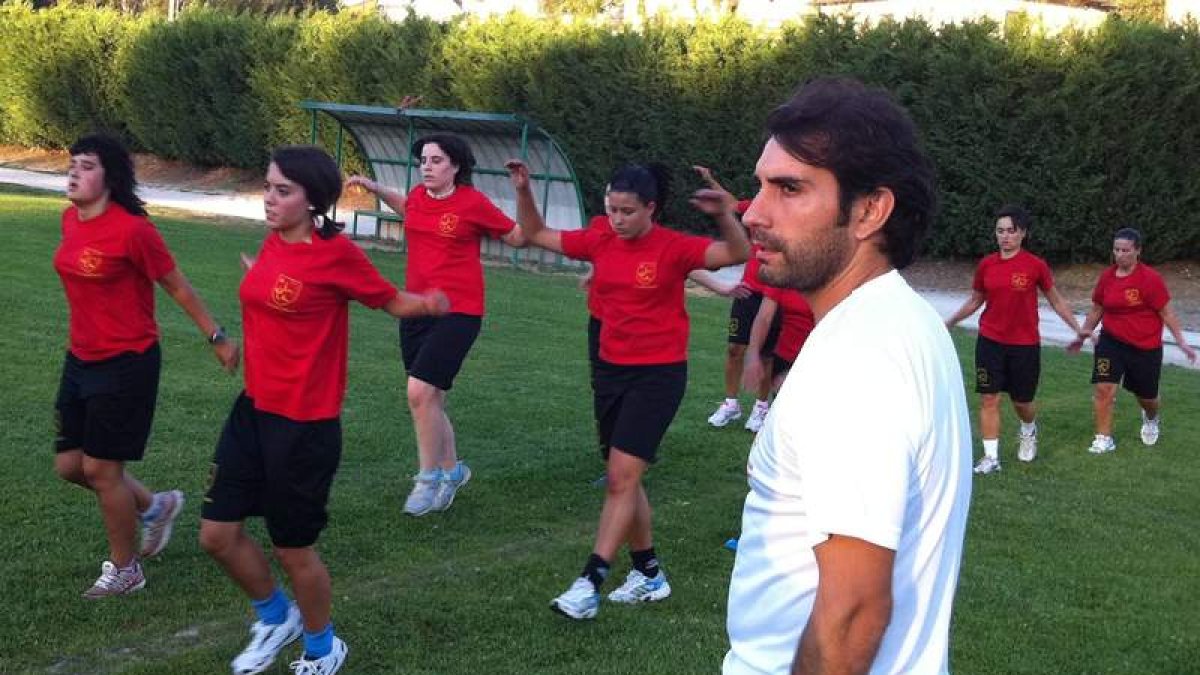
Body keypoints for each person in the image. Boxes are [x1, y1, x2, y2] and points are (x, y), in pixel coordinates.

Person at [724, 77, 972, 674]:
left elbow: (854, 612)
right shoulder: (898, 321)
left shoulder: (858, 359)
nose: (754, 213)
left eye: (789, 189)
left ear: (868, 211)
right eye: (760, 186)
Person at [198, 146, 448, 675]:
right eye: (267, 186)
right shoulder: (272, 243)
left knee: (294, 551)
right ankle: (274, 617)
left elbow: (386, 299)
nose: (269, 198)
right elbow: (278, 294)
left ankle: (321, 646)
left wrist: (426, 305)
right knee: (217, 535)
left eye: (282, 190)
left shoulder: (337, 256)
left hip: (304, 425)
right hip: (254, 410)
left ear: (313, 201)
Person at [511, 160, 750, 620]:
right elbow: (537, 233)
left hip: (658, 376)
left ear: (650, 209)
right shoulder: (600, 236)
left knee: (621, 477)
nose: (617, 219)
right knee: (625, 476)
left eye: (626, 211)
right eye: (611, 209)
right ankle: (649, 573)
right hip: (610, 370)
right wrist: (523, 191)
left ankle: (590, 580)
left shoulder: (673, 248)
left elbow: (735, 253)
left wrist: (724, 214)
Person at [52, 133, 238, 599]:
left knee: (100, 469)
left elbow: (176, 285)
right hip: (80, 358)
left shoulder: (133, 231)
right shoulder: (69, 220)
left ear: (110, 177)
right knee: (69, 465)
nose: (74, 172)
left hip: (127, 361)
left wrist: (216, 336)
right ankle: (156, 507)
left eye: (87, 165)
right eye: (72, 163)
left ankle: (126, 568)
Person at [347, 133, 531, 516]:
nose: (427, 167)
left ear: (456, 166)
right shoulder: (418, 196)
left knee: (418, 392)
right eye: (424, 161)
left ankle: (427, 478)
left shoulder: (472, 203)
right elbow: (408, 209)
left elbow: (516, 237)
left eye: (436, 161)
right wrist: (374, 186)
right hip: (416, 309)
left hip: (459, 312)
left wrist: (524, 193)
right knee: (430, 400)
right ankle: (454, 470)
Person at [944, 205, 1083, 474]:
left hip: (1024, 344)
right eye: (1000, 231)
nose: (1005, 236)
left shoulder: (1035, 265)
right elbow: (976, 300)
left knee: (1022, 402)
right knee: (989, 398)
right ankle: (991, 458)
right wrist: (949, 322)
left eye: (1011, 231)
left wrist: (1078, 328)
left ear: (1022, 234)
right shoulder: (986, 264)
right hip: (990, 341)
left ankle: (1029, 428)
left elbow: (1055, 300)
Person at [1070, 227, 1196, 455]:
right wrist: (1082, 334)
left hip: (1144, 346)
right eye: (1116, 250)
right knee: (1103, 388)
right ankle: (1103, 438)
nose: (1120, 255)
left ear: (1137, 251)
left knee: (1147, 396)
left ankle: (1151, 417)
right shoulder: (1107, 277)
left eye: (1125, 250)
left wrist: (1182, 342)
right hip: (1111, 342)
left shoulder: (1150, 279)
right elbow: (1097, 308)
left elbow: (1167, 313)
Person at [697, 167, 780, 434]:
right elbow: (730, 204)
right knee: (735, 348)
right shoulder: (753, 210)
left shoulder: (786, 216)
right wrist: (710, 179)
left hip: (773, 292)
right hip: (747, 290)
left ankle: (760, 408)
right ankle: (731, 405)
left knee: (767, 355)